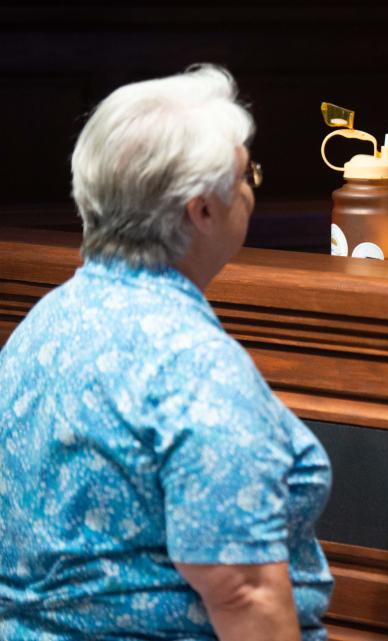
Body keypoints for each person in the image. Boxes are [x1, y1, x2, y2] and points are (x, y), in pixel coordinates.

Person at [0, 65, 332, 641]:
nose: (252, 189)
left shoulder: (44, 323)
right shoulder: (193, 364)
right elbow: (244, 592)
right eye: (246, 173)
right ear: (201, 210)